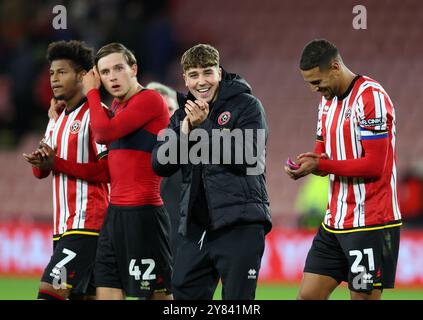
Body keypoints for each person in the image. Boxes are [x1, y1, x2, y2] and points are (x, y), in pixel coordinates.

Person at [152, 43, 272, 300]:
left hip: (240, 224)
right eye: (193, 75)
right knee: (183, 295)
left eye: (207, 72)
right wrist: (185, 132)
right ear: (185, 78)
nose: (201, 81)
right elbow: (160, 165)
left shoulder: (247, 106)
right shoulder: (182, 114)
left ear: (219, 72)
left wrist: (204, 126)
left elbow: (248, 157)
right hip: (196, 230)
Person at [284, 39, 402, 300]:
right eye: (310, 84)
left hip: (369, 222)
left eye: (317, 82)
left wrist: (321, 164)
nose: (315, 89)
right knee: (308, 296)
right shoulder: (326, 102)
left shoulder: (370, 97)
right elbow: (322, 153)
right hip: (335, 220)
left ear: (335, 67)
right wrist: (308, 165)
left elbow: (375, 165)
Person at [81, 43, 173, 300]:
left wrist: (91, 93)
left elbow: (102, 133)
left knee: (157, 297)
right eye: (106, 71)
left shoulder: (150, 100)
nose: (112, 77)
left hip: (144, 215)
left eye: (119, 68)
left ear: (134, 69)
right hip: (115, 216)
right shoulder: (118, 108)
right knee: (107, 291)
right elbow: (108, 169)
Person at [22, 40, 109, 300]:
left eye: (62, 72)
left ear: (82, 76)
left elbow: (107, 171)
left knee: (49, 292)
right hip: (64, 227)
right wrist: (41, 163)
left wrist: (55, 164)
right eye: (51, 73)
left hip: (89, 223)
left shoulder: (97, 114)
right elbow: (41, 172)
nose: (54, 79)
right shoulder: (56, 119)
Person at [146, 82, 182, 258]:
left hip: (179, 248)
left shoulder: (191, 152)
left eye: (170, 109)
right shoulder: (125, 152)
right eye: (159, 109)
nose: (166, 115)